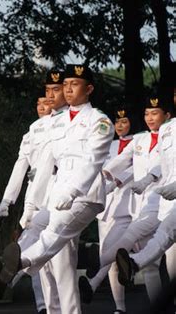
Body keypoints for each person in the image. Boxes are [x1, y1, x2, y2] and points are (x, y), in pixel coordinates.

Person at [0, 64, 114, 293]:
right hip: (56, 194)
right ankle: (8, 266)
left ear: (89, 88)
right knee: (37, 224)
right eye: (66, 85)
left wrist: (72, 191)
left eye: (75, 84)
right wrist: (33, 204)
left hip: (85, 195)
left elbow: (92, 162)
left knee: (56, 230)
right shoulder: (57, 122)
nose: (68, 89)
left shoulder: (99, 121)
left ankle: (19, 263)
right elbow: (44, 166)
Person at [81, 95, 170, 304]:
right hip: (141, 206)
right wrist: (102, 173)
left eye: (154, 113)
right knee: (152, 267)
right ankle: (156, 306)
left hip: (163, 202)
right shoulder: (140, 140)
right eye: (147, 113)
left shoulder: (170, 138)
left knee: (134, 236)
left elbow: (159, 167)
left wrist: (147, 178)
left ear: (166, 115)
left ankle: (99, 262)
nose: (150, 117)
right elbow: (123, 160)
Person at [0, 93, 53, 314]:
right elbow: (21, 167)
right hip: (35, 194)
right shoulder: (31, 133)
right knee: (41, 258)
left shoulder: (63, 126)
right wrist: (7, 200)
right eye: (38, 103)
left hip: (57, 193)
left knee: (51, 255)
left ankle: (7, 276)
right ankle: (43, 306)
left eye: (46, 102)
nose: (42, 106)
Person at [78, 108, 135, 313]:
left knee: (117, 254)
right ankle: (119, 307)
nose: (120, 126)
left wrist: (116, 181)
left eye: (125, 121)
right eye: (117, 122)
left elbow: (135, 169)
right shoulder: (108, 145)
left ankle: (93, 281)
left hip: (130, 203)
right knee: (113, 261)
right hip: (107, 207)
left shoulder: (140, 141)